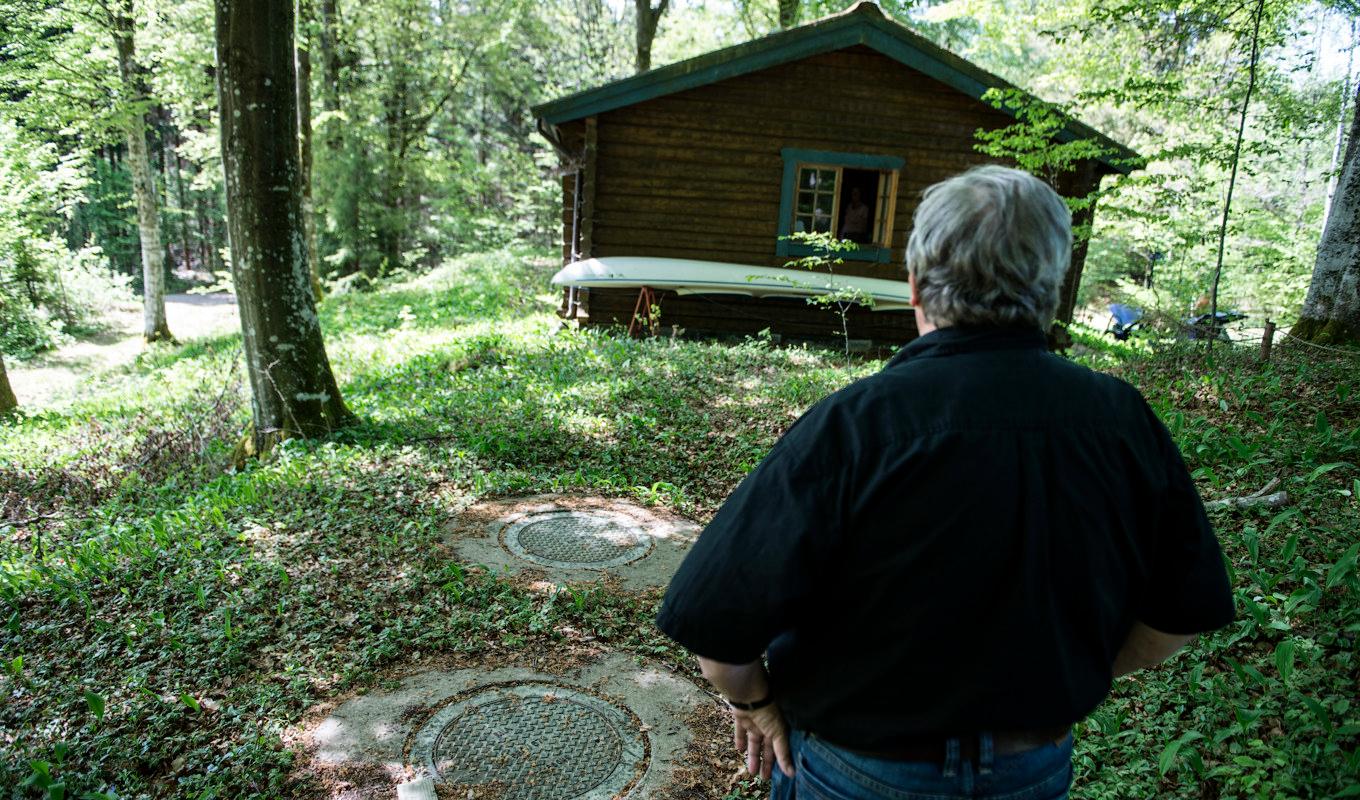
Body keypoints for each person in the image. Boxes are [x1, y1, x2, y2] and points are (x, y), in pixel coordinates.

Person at [655, 165, 1235, 799]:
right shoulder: (1121, 422)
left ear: (914, 286)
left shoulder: (853, 427)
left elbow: (715, 630)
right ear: (1051, 286)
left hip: (857, 772)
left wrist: (757, 703)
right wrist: (1060, 682)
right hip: (1032, 771)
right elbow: (1176, 619)